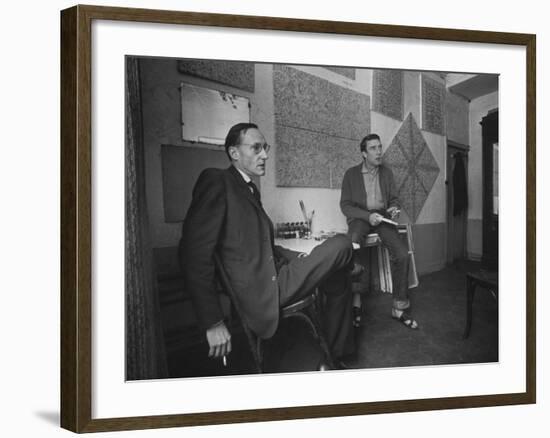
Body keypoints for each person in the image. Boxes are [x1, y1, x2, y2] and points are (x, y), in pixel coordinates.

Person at [179, 122, 357, 369]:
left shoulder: (248, 189)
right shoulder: (217, 181)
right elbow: (193, 254)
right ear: (234, 153)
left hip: (277, 274)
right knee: (342, 243)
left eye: (266, 148)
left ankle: (333, 357)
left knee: (338, 278)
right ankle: (350, 269)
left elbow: (266, 248)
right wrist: (213, 321)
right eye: (256, 148)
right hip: (263, 291)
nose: (265, 155)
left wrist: (300, 256)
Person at [340, 133, 418, 329]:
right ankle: (356, 304)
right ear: (364, 153)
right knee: (354, 242)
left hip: (382, 218)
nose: (379, 152)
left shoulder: (387, 173)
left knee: (402, 254)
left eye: (380, 147)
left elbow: (394, 199)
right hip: (361, 218)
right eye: (373, 148)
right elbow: (346, 206)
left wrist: (393, 208)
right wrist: (367, 216)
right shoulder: (351, 174)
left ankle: (399, 308)